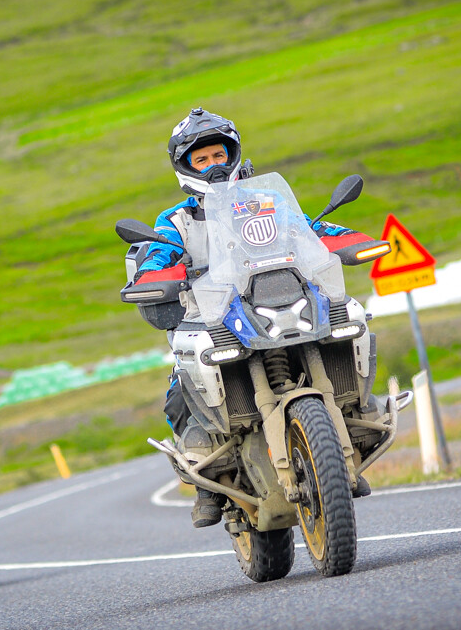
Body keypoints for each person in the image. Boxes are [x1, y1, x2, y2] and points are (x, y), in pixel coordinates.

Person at [131, 107, 361, 528]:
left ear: (233, 154)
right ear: (186, 167)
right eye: (201, 159)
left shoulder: (264, 201)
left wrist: (350, 239)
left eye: (219, 155)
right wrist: (154, 274)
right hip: (211, 317)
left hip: (278, 298)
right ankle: (206, 479)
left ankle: (355, 421)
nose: (213, 165)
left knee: (351, 325)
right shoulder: (177, 221)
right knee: (181, 383)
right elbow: (158, 253)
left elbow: (306, 229)